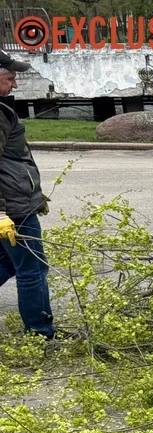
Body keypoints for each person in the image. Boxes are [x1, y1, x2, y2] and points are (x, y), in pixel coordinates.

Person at [0, 50, 54, 340]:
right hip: (12, 208)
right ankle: (40, 334)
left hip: (14, 202)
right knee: (32, 269)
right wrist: (0, 214)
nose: (15, 85)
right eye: (10, 78)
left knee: (7, 262)